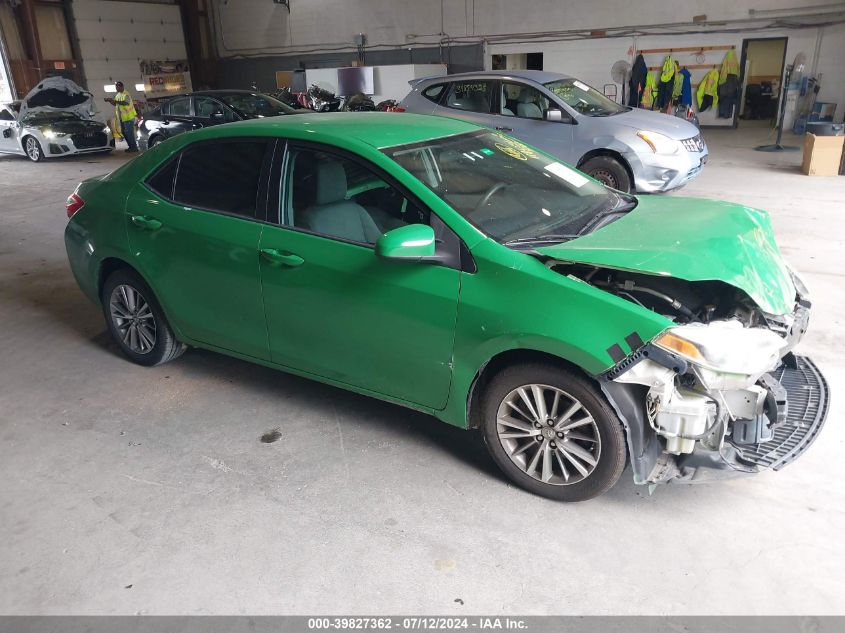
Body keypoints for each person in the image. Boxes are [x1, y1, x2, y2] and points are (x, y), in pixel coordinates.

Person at [104, 81, 138, 153]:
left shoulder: (126, 94)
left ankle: (134, 147)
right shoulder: (118, 95)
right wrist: (110, 101)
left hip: (129, 117)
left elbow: (125, 102)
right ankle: (130, 147)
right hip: (122, 118)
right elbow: (115, 104)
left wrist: (114, 101)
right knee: (124, 132)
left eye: (118, 87)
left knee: (129, 133)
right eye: (116, 87)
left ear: (122, 87)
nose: (116, 88)